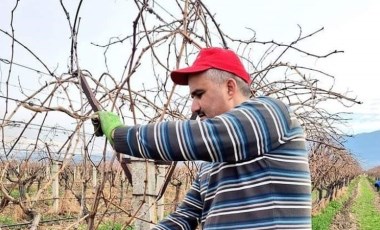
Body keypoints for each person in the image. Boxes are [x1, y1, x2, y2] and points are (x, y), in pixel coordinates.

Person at [93, 47, 312, 229]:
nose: (194, 107)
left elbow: (196, 137)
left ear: (229, 87)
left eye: (199, 94)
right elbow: (185, 216)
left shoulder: (272, 113)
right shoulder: (211, 164)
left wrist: (118, 135)